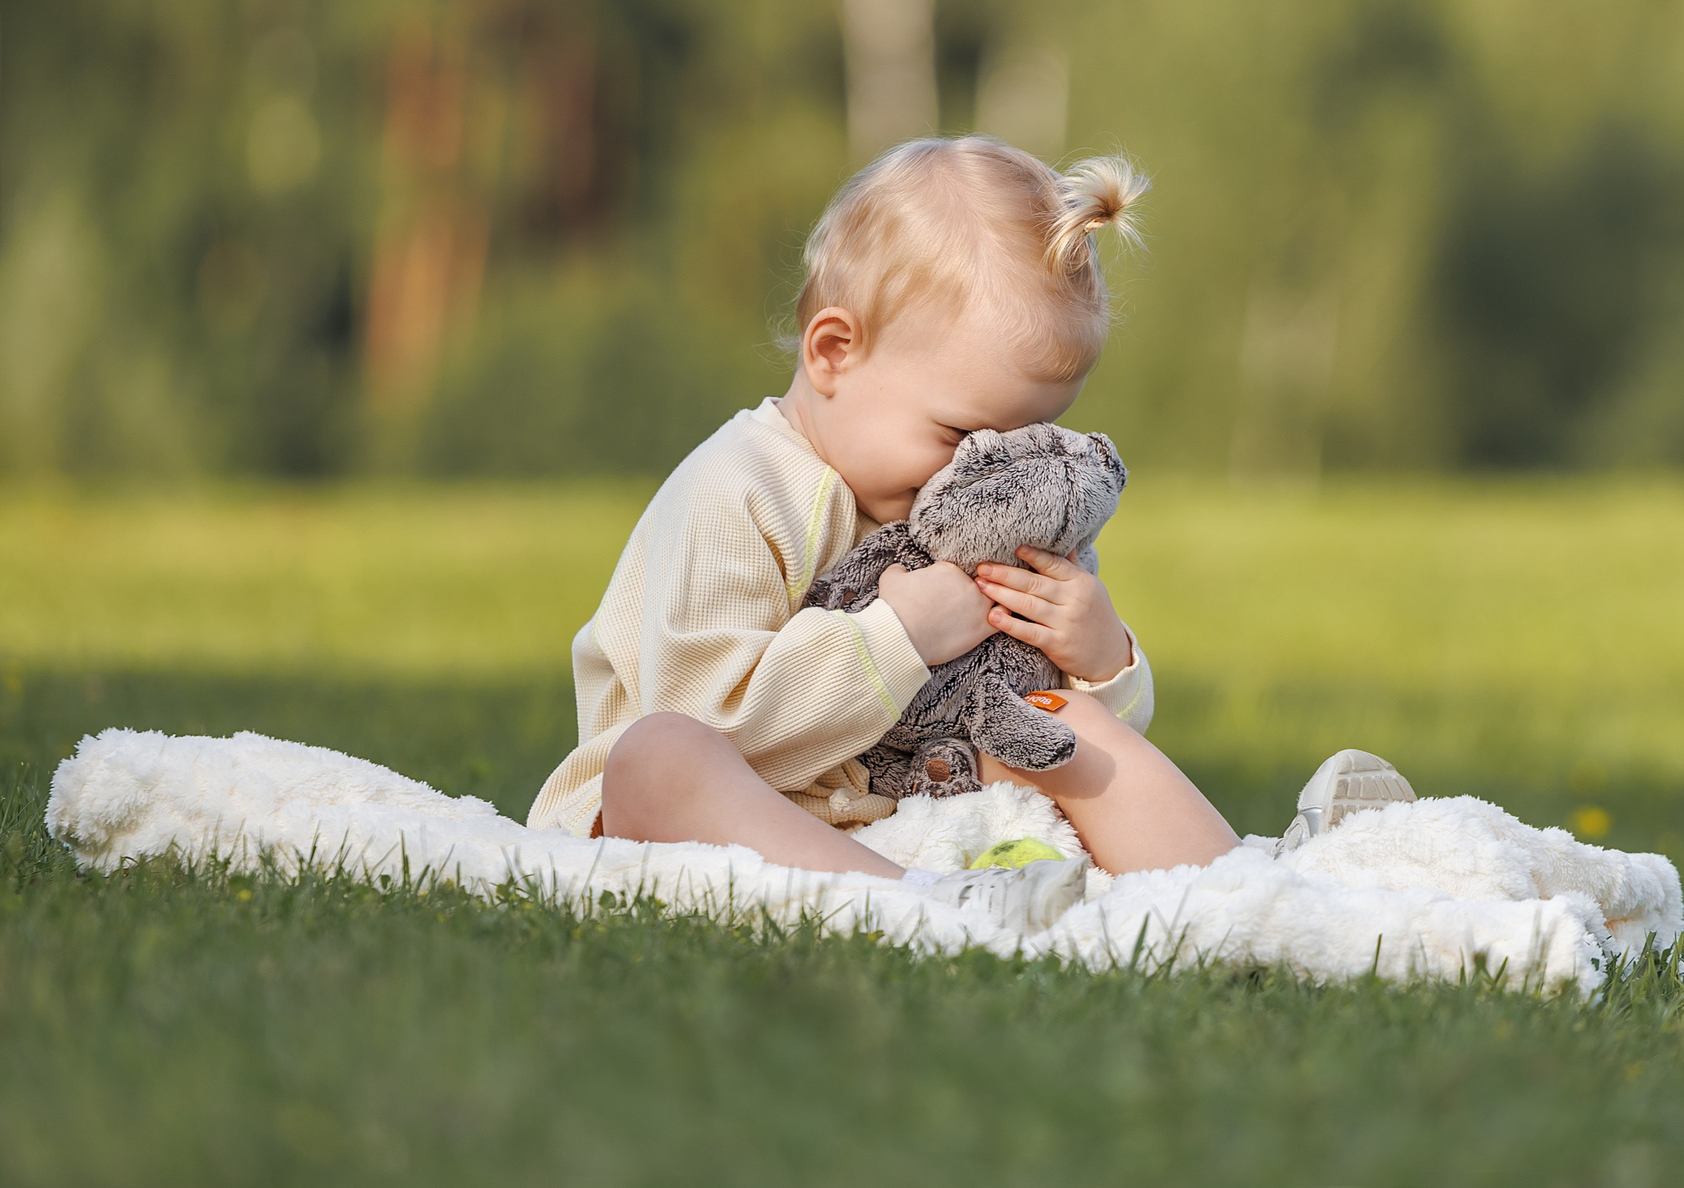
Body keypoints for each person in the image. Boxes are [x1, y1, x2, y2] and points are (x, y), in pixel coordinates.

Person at [526, 136, 1410, 930]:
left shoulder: (977, 508)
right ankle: (915, 910)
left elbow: (1020, 704)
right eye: (956, 435)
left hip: (912, 811)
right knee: (657, 755)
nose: (972, 471)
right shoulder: (739, 488)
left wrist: (1098, 658)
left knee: (1059, 722)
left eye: (1020, 439)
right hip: (715, 809)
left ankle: (1257, 891)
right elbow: (709, 713)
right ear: (834, 351)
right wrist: (896, 639)